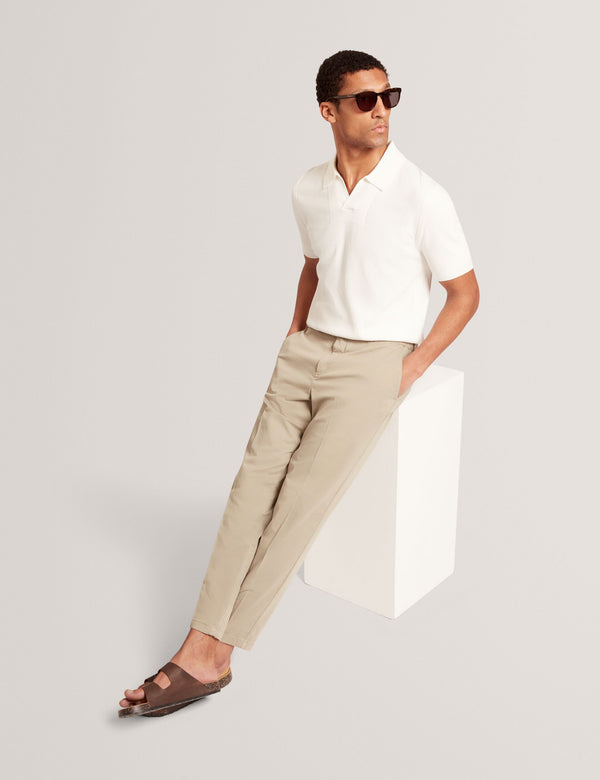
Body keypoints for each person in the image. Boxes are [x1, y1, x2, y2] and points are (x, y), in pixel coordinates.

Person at [118, 49, 480, 718]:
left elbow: (465, 294)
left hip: (373, 363)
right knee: (248, 495)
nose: (381, 110)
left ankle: (212, 656)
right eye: (365, 99)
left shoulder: (422, 195)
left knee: (297, 507)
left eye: (389, 97)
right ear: (328, 111)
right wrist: (294, 332)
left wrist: (409, 367)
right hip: (306, 352)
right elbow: (314, 263)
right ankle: (201, 641)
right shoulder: (309, 188)